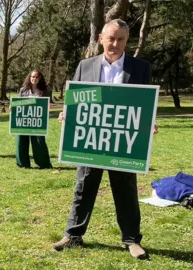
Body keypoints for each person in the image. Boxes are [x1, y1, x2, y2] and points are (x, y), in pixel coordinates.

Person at [53, 19, 158, 260]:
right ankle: (73, 235)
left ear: (126, 42)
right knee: (83, 188)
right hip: (91, 142)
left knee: (126, 191)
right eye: (111, 38)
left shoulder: (141, 68)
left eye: (120, 39)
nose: (115, 43)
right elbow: (77, 101)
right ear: (101, 38)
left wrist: (148, 122)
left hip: (122, 143)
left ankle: (132, 240)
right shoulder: (85, 66)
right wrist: (67, 114)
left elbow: (144, 105)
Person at [15, 70, 53, 169]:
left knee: (39, 141)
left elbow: (47, 105)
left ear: (40, 78)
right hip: (24, 120)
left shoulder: (45, 91)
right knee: (21, 141)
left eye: (36, 77)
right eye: (32, 76)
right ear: (29, 77)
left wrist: (48, 107)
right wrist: (13, 106)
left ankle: (44, 163)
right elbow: (18, 103)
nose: (34, 79)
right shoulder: (23, 90)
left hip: (38, 121)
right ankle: (23, 164)